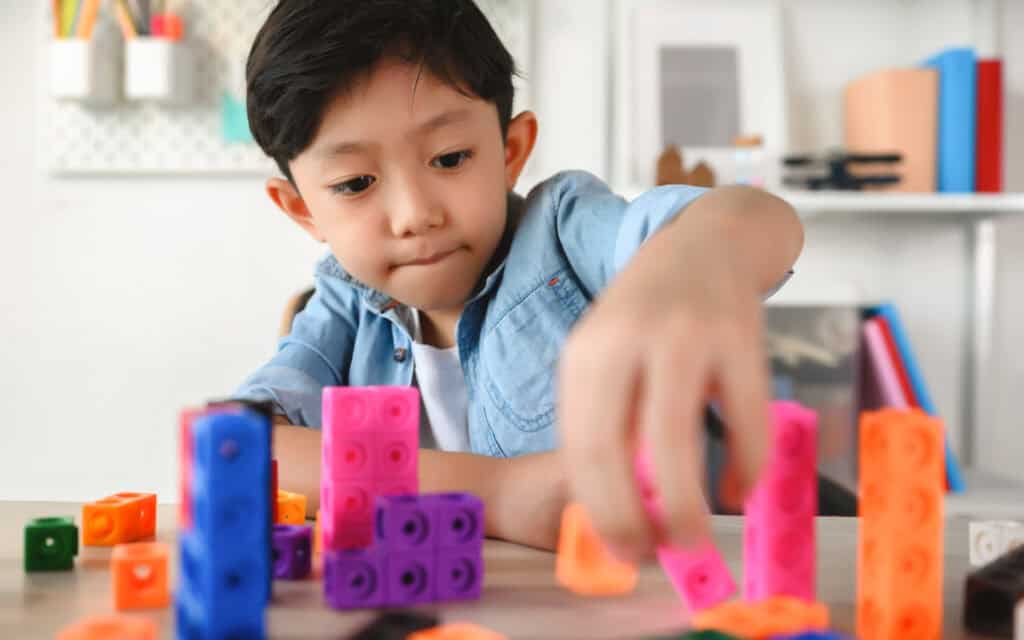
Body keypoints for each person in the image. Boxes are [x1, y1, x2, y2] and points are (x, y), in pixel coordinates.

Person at [233, 0, 803, 558]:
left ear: (511, 151)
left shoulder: (562, 233)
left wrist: (689, 268)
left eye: (451, 158)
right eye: (356, 183)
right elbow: (239, 447)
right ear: (302, 209)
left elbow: (754, 220)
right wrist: (497, 494)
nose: (415, 215)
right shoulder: (343, 305)